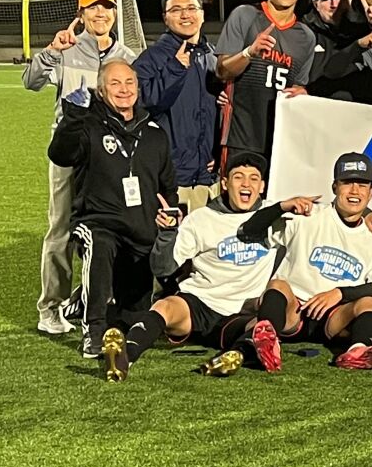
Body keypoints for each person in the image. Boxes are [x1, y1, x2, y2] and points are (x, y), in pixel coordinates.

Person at [101, 151, 292, 381]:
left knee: (261, 326)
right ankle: (125, 356)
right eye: (238, 176)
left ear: (261, 186)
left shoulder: (276, 218)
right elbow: (163, 268)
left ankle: (237, 354)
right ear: (224, 183)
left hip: (239, 312)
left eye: (253, 178)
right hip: (199, 304)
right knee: (166, 306)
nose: (246, 184)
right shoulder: (201, 218)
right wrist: (167, 233)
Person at [22, 0, 137, 335]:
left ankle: (97, 299)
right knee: (61, 229)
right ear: (81, 14)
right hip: (70, 153)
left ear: (115, 14)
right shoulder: (67, 51)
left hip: (111, 156)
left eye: (106, 8)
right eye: (93, 8)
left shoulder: (128, 55)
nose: (100, 14)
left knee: (108, 229)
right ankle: (50, 308)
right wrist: (52, 52)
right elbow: (30, 81)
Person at [46, 59, 176, 359]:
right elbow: (60, 155)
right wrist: (72, 117)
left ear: (138, 88)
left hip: (141, 231)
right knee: (100, 246)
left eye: (129, 83)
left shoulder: (155, 134)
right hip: (97, 222)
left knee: (131, 318)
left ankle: (81, 302)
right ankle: (92, 331)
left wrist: (170, 214)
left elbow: (168, 186)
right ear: (101, 91)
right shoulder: (87, 125)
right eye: (115, 84)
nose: (124, 89)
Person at [238, 153, 372, 370]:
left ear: (371, 192)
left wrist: (339, 293)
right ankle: (267, 341)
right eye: (347, 183)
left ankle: (357, 351)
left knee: (371, 302)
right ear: (335, 187)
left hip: (333, 317)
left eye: (362, 184)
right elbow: (250, 231)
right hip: (293, 312)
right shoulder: (309, 217)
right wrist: (282, 206)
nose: (354, 191)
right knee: (278, 285)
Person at [216, 0, 316, 163]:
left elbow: (299, 86)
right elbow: (222, 71)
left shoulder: (306, 37)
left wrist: (302, 92)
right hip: (240, 136)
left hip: (281, 141)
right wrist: (249, 53)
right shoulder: (245, 15)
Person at [135, 0, 222, 212]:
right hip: (171, 179)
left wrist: (220, 153)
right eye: (176, 10)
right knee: (169, 245)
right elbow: (140, 105)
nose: (185, 15)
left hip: (208, 177)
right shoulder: (151, 59)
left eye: (192, 8)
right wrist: (174, 70)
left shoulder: (214, 58)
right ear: (165, 18)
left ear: (202, 14)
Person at [303, 0, 372, 104]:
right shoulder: (304, 31)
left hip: (360, 110)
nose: (334, 4)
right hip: (316, 109)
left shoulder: (362, 29)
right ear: (315, 3)